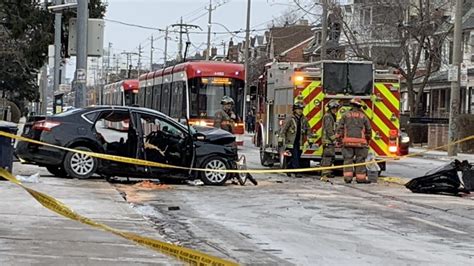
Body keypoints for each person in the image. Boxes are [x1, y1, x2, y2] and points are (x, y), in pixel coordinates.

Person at [337, 97, 372, 183]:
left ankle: (348, 178)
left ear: (351, 105)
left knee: (348, 160)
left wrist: (339, 139)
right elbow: (368, 130)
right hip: (360, 143)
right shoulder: (363, 116)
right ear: (359, 106)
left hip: (347, 142)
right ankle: (360, 178)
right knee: (360, 160)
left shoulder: (345, 115)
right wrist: (368, 139)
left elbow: (340, 128)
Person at [279, 101, 311, 177]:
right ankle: (295, 172)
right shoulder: (290, 118)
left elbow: (308, 129)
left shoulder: (304, 119)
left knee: (296, 156)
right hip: (291, 142)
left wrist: (310, 139)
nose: (300, 111)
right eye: (298, 109)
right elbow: (284, 129)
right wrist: (281, 138)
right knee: (293, 157)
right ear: (294, 110)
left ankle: (289, 170)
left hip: (299, 142)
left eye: (301, 109)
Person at [320, 100, 341, 182]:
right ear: (330, 109)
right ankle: (325, 173)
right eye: (333, 108)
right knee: (327, 157)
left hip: (329, 141)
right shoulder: (328, 116)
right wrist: (334, 139)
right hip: (328, 141)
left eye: (336, 108)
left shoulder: (331, 116)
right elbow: (329, 129)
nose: (335, 110)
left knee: (330, 156)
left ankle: (327, 172)